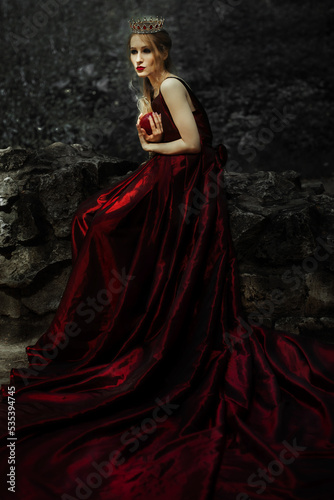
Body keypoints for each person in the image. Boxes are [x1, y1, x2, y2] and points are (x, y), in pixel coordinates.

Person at [0, 16, 333, 500]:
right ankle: (112, 323)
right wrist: (148, 136)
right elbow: (153, 147)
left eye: (146, 52)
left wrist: (155, 142)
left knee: (103, 224)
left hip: (188, 185)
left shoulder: (172, 85)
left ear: (163, 54)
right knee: (92, 219)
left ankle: (124, 328)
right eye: (133, 52)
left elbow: (194, 146)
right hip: (168, 176)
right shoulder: (152, 89)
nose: (138, 60)